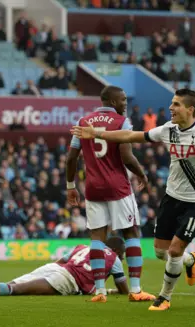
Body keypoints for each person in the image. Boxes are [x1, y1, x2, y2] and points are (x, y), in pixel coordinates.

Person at [72, 88, 195, 311]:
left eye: (176, 104)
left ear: (190, 109)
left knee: (174, 250)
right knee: (160, 252)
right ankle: (189, 260)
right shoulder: (168, 130)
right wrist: (97, 134)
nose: (170, 108)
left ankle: (164, 297)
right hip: (171, 198)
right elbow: (130, 136)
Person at [66, 85, 155, 303]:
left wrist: (70, 185)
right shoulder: (121, 122)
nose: (126, 103)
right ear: (113, 102)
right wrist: (142, 174)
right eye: (123, 100)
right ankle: (135, 290)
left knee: (97, 237)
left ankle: (99, 292)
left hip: (93, 187)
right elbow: (126, 157)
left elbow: (71, 158)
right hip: (118, 186)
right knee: (131, 233)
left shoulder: (82, 122)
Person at [0, 237, 142, 298]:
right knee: (16, 290)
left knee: (10, 284)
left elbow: (61, 261)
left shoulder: (83, 246)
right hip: (67, 280)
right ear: (117, 249)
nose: (123, 257)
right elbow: (125, 290)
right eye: (123, 253)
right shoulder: (114, 257)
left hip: (54, 268)